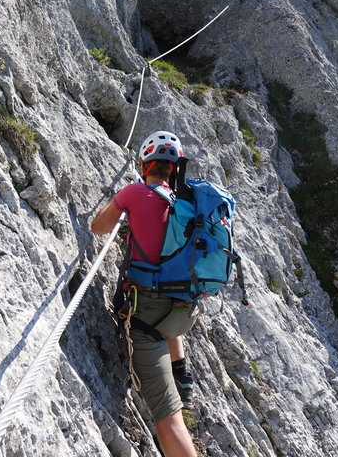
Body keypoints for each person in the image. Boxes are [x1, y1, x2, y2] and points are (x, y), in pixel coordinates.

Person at [91, 131, 198, 457]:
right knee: (165, 308)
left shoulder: (135, 191)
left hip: (147, 313)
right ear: (175, 168)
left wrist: (122, 203)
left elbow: (98, 227)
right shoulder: (187, 202)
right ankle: (181, 371)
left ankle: (177, 384)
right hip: (184, 311)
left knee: (170, 419)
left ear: (144, 165)